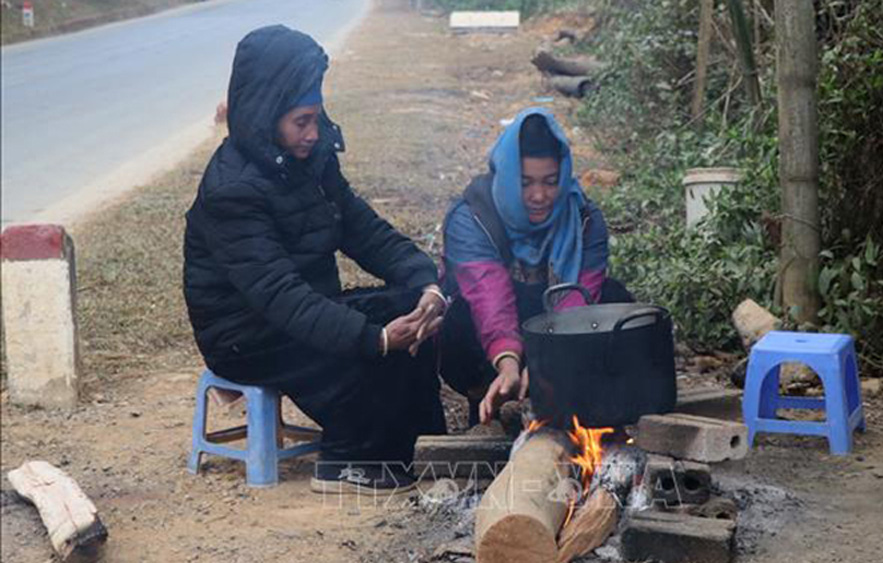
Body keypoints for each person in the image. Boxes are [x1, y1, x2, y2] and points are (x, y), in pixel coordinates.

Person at [183, 25, 446, 496]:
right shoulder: (232, 191)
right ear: (266, 117)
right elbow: (282, 299)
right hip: (246, 334)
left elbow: (363, 230)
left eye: (317, 118)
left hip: (304, 308)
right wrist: (377, 340)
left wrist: (426, 284)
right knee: (364, 352)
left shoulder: (312, 158)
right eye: (301, 121)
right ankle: (347, 460)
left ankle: (422, 447)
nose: (312, 133)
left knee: (411, 311)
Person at [439, 108, 632, 426]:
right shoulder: (471, 217)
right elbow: (490, 298)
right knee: (457, 317)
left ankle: (578, 399)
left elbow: (577, 303)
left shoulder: (584, 220)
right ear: (507, 175)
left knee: (616, 300)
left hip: (559, 332)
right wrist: (508, 363)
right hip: (488, 342)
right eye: (526, 183)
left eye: (550, 182)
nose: (539, 195)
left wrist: (551, 359)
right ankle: (486, 397)